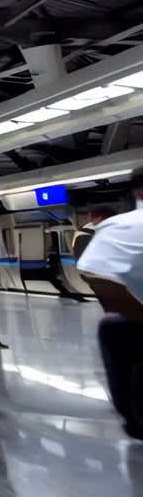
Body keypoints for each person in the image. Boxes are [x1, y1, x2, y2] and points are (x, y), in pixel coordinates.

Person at [80, 168, 143, 439]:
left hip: (135, 319)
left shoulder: (117, 226)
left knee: (114, 326)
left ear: (137, 192)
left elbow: (92, 272)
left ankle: (134, 418)